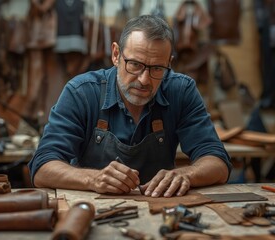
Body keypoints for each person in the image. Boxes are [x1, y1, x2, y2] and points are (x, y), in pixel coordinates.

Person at [28, 15, 231, 198]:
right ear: (116, 55)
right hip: (91, 210)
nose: (144, 80)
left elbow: (218, 162)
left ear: (169, 63)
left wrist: (186, 174)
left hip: (161, 208)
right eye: (135, 64)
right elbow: (42, 168)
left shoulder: (181, 91)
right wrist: (93, 179)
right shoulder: (81, 92)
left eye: (157, 68)